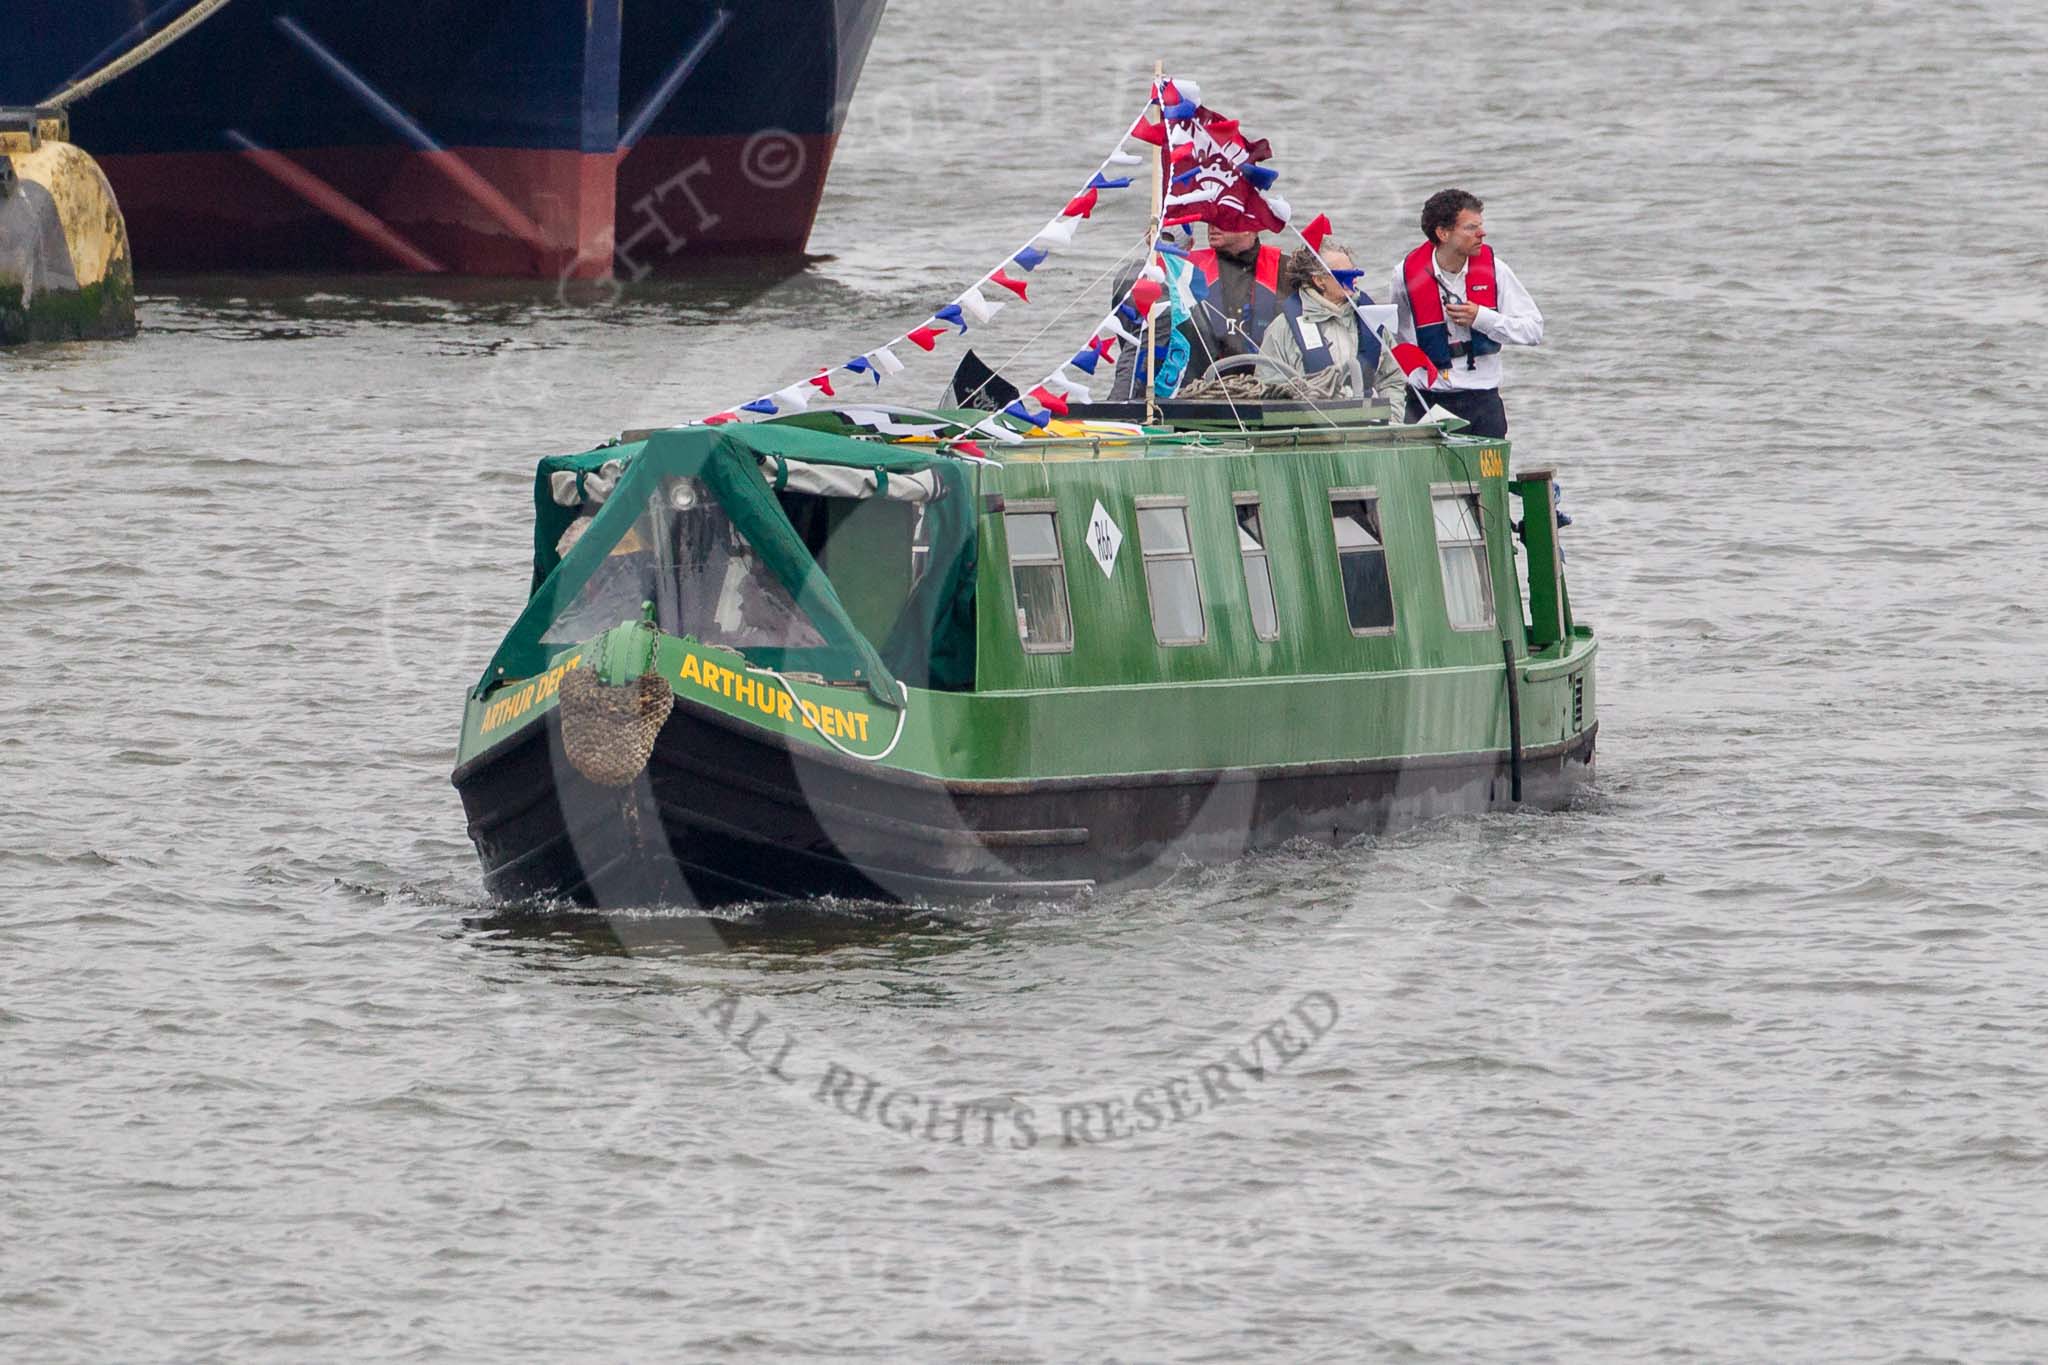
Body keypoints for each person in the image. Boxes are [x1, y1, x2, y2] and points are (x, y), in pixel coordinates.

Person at [1390, 188, 1542, 438]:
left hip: (1482, 401)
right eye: (1471, 228)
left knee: (1485, 477)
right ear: (1443, 233)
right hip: (1426, 402)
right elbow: (1397, 334)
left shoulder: (1496, 271)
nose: (1482, 233)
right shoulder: (1403, 276)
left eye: (1480, 225)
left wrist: (1482, 318)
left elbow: (1534, 330)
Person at [1258, 243, 1398, 403]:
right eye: (1346, 275)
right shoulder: (1282, 329)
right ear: (1319, 281)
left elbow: (1393, 379)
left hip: (1368, 421)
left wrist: (1391, 418)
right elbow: (1269, 385)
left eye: (1355, 272)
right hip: (1310, 423)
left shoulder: (1372, 318)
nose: (1355, 280)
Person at [1189, 226, 1283, 365]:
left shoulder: (1287, 269)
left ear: (1248, 226)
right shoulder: (1187, 267)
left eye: (1222, 218)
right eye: (1209, 220)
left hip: (1268, 377)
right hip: (1205, 378)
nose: (1212, 226)